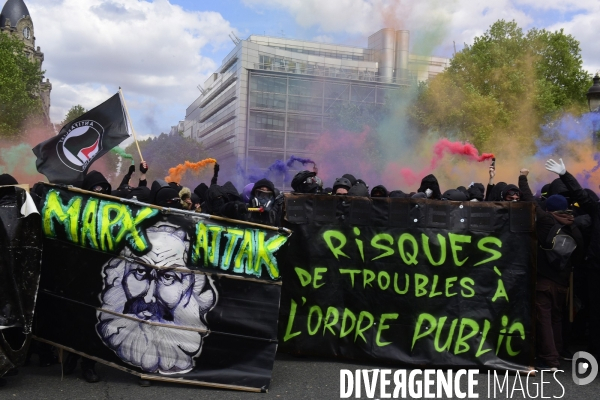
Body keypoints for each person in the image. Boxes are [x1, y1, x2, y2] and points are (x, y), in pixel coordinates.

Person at [519, 162, 584, 370]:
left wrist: (522, 178)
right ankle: (557, 352)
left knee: (544, 319)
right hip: (563, 281)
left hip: (544, 281)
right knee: (557, 318)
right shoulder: (575, 227)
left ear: (550, 208)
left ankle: (551, 360)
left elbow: (529, 200)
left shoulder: (547, 220)